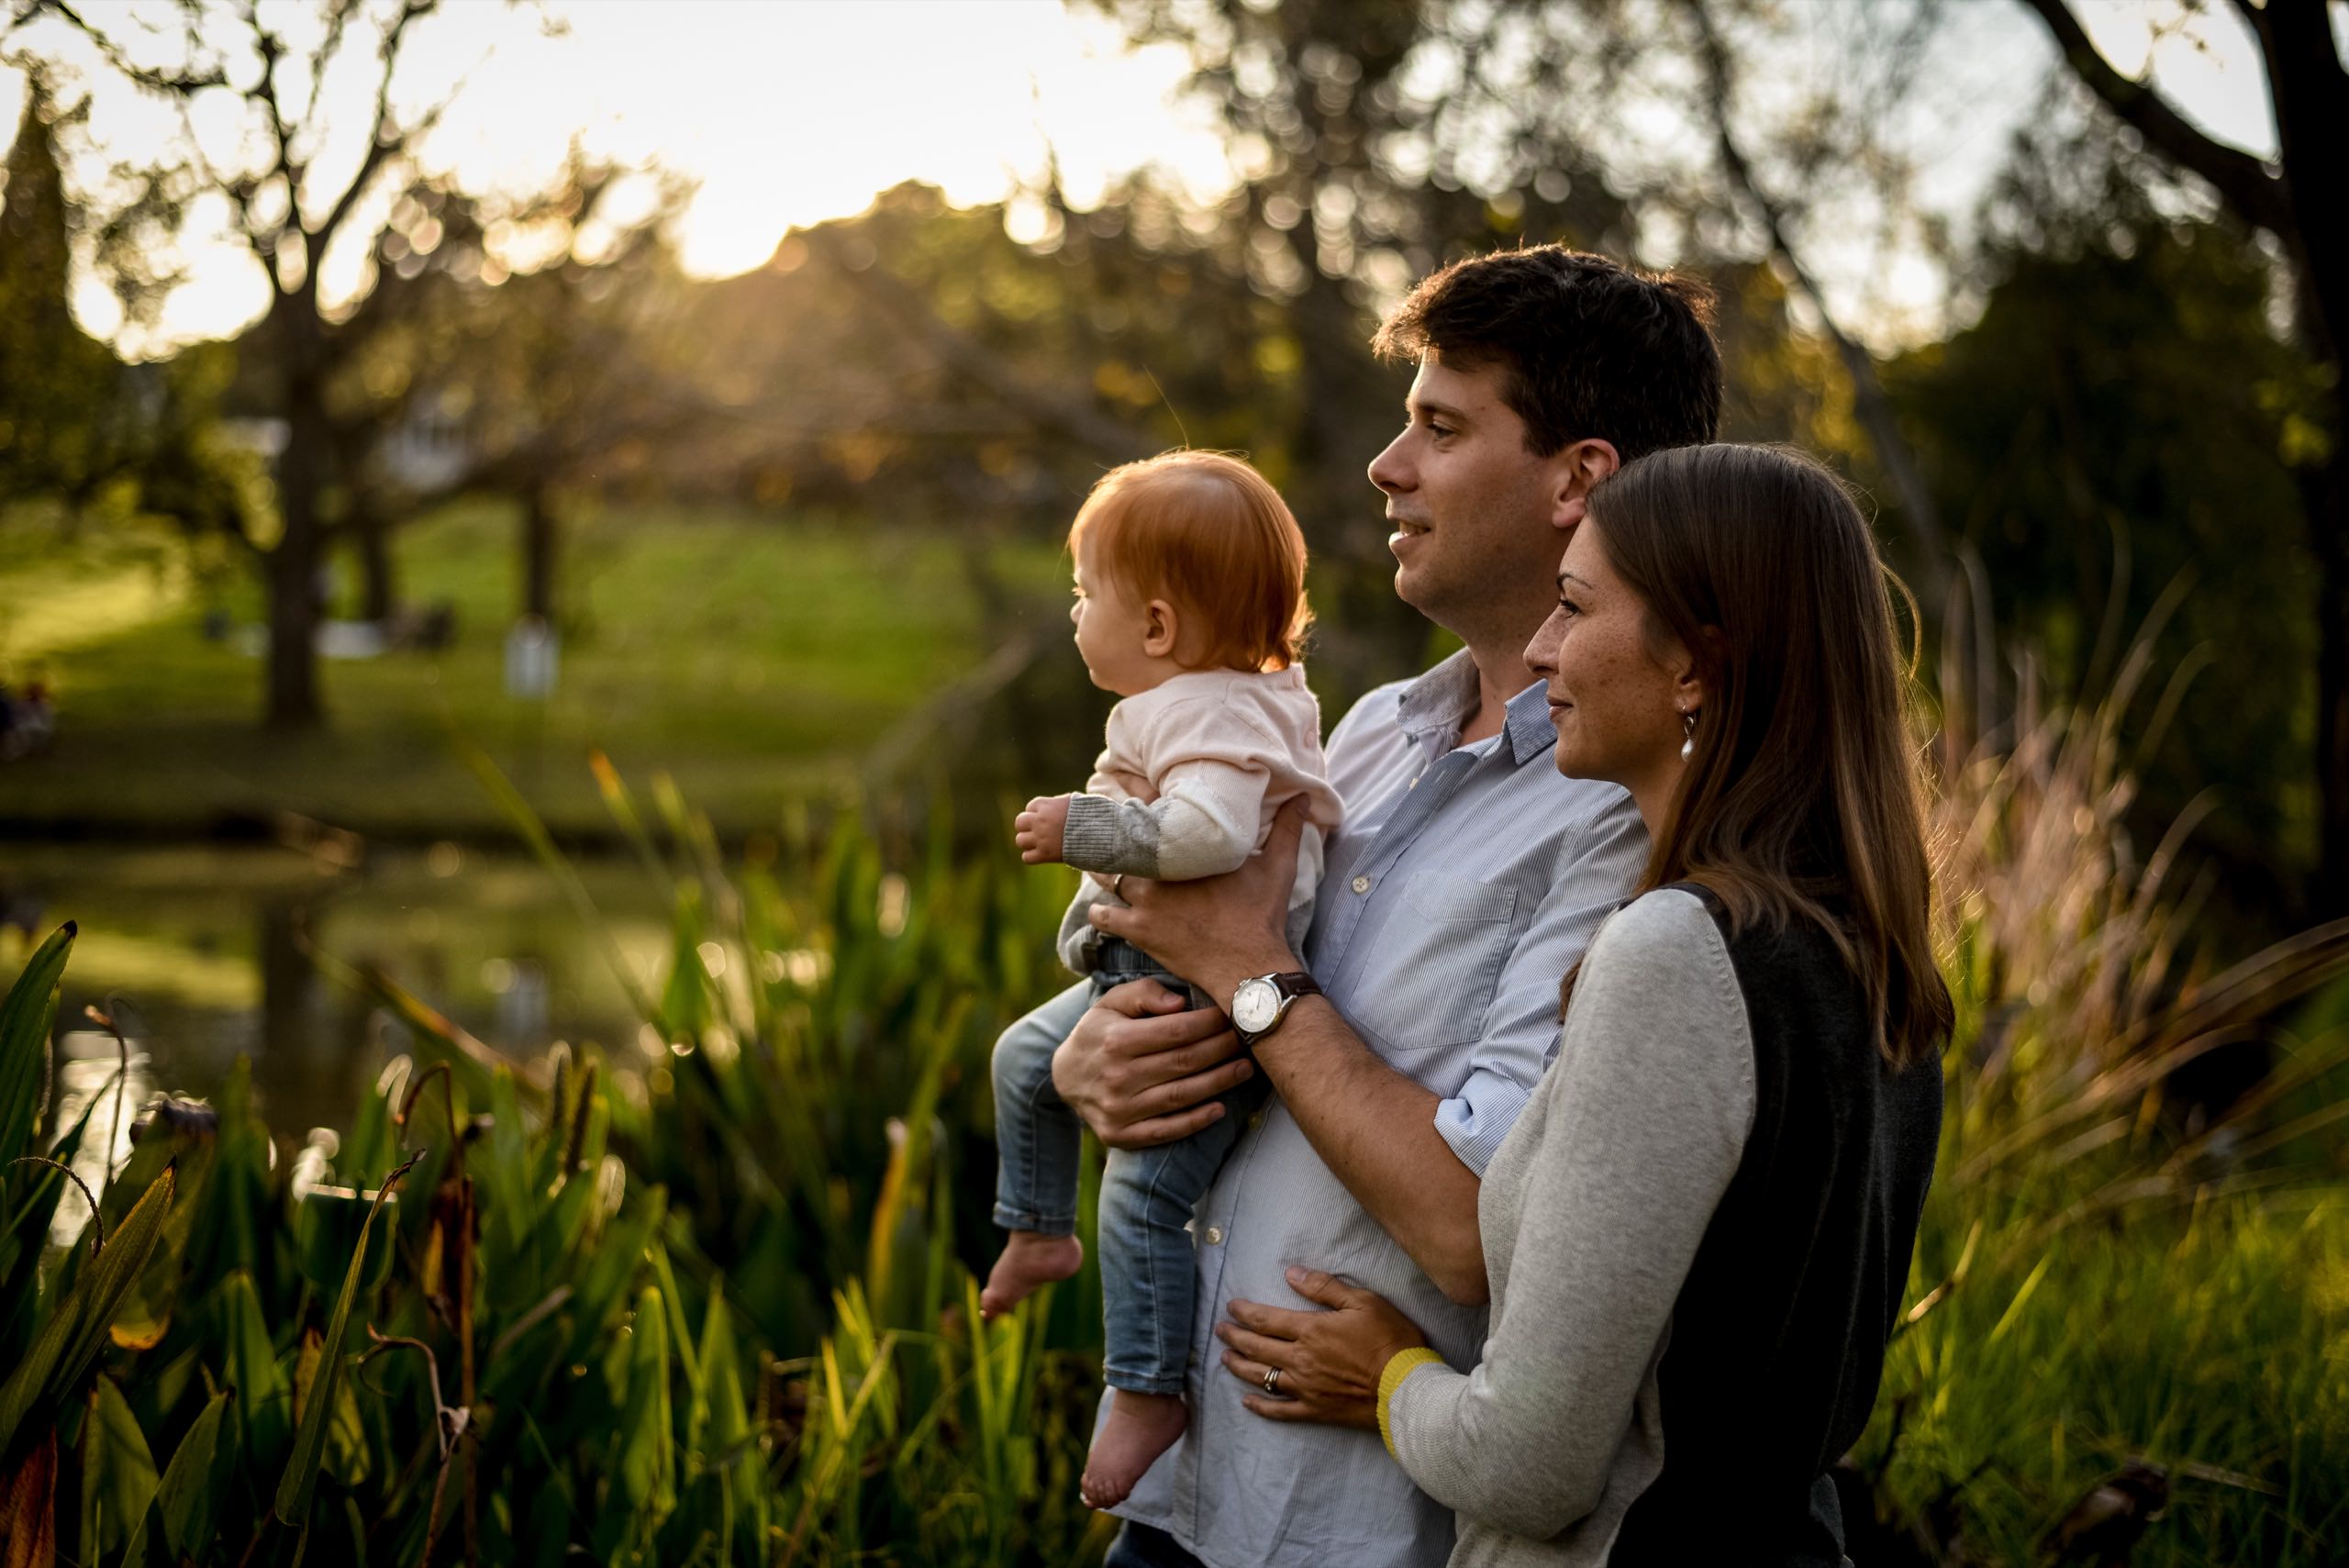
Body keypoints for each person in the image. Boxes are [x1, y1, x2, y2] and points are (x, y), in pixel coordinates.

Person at [1038, 246, 1723, 1568]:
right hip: (1182, 1495)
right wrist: (1095, 1057)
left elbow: (1476, 1229)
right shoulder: (1363, 733)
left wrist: (1250, 976)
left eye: (1440, 428)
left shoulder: (1625, 814)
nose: (1384, 465)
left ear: (1579, 479)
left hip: (1343, 1527)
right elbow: (1202, 981)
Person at [1207, 443, 1953, 1565]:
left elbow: (1526, 1464)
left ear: (1693, 663)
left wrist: (1390, 1374)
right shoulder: (1867, 951)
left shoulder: (1677, 951)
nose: (1545, 647)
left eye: (1575, 605)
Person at [980, 450, 1346, 1508]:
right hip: (1153, 966)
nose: (1072, 611)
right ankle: (1037, 1227)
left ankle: (1146, 1387)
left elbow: (1209, 833)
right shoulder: (1202, 699)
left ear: (1154, 625)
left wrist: (1084, 827)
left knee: (1143, 1196)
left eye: (1083, 592)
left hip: (1197, 992)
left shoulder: (1215, 714)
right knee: (1022, 1057)